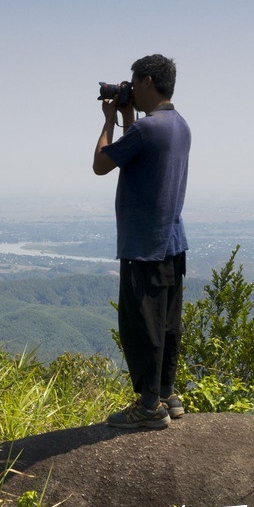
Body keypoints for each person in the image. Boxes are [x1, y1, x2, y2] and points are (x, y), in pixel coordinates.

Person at [93, 54, 191, 430]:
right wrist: (128, 117)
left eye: (134, 83)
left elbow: (101, 163)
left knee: (140, 327)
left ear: (148, 81)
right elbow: (140, 157)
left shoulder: (148, 130)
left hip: (143, 246)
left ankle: (148, 406)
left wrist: (108, 121)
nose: (130, 89)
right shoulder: (179, 125)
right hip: (172, 242)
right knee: (167, 323)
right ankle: (167, 393)